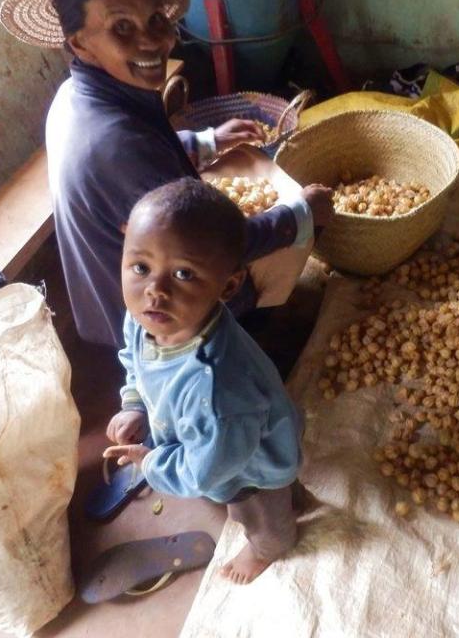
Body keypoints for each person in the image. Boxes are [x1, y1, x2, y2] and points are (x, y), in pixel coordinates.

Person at [0, 0, 332, 348]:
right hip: (147, 322)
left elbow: (144, 150)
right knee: (292, 239)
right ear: (79, 42)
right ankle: (239, 342)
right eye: (122, 27)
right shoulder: (116, 144)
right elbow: (216, 244)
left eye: (156, 19)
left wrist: (206, 141)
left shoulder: (76, 95)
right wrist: (301, 215)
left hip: (108, 297)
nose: (152, 40)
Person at [102, 178, 316, 584]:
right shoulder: (144, 321)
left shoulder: (217, 389)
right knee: (283, 491)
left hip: (249, 466)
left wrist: (152, 464)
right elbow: (135, 361)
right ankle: (295, 498)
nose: (155, 291)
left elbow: (207, 471)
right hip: (229, 437)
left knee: (259, 514)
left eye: (183, 273)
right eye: (141, 267)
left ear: (229, 285)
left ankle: (268, 548)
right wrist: (135, 404)